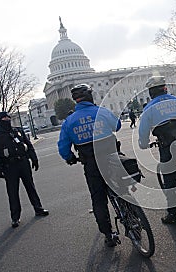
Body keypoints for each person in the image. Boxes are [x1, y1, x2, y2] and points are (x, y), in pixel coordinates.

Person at [58, 84, 122, 247]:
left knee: (98, 199)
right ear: (90, 97)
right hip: (112, 157)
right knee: (123, 187)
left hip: (92, 164)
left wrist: (70, 157)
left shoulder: (69, 121)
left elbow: (63, 147)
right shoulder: (101, 112)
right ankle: (133, 213)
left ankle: (108, 234)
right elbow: (117, 126)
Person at [138, 76, 176, 225]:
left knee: (169, 178)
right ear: (164, 88)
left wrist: (143, 144)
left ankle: (172, 214)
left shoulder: (149, 108)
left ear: (151, 92)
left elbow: (143, 132)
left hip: (166, 144)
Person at [0, 112, 49, 228]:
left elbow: (28, 145)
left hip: (23, 163)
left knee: (31, 187)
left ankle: (38, 208)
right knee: (13, 192)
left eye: (8, 117)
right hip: (9, 166)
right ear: (0, 120)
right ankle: (15, 217)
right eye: (4, 118)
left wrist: (34, 159)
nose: (7, 119)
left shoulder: (17, 131)